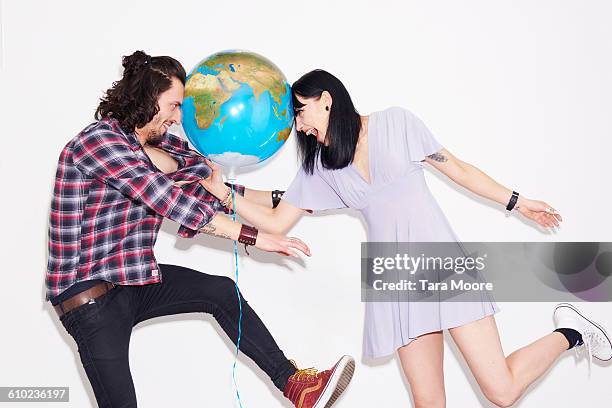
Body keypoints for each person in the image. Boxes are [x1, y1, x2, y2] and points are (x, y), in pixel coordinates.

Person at [201, 69, 612, 407]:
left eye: (301, 112)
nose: (301, 127)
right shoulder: (321, 168)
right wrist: (222, 192)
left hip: (442, 266)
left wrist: (518, 202)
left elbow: (460, 170)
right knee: (427, 402)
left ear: (326, 98)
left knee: (500, 391)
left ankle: (571, 333)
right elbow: (275, 220)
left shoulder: (395, 123)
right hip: (394, 279)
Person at [45, 54, 355, 408]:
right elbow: (171, 202)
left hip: (132, 280)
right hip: (89, 299)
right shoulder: (99, 143)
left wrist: (285, 200)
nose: (179, 118)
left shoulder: (164, 146)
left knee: (222, 292)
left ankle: (296, 387)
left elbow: (209, 185)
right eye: (174, 105)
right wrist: (255, 236)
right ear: (147, 96)